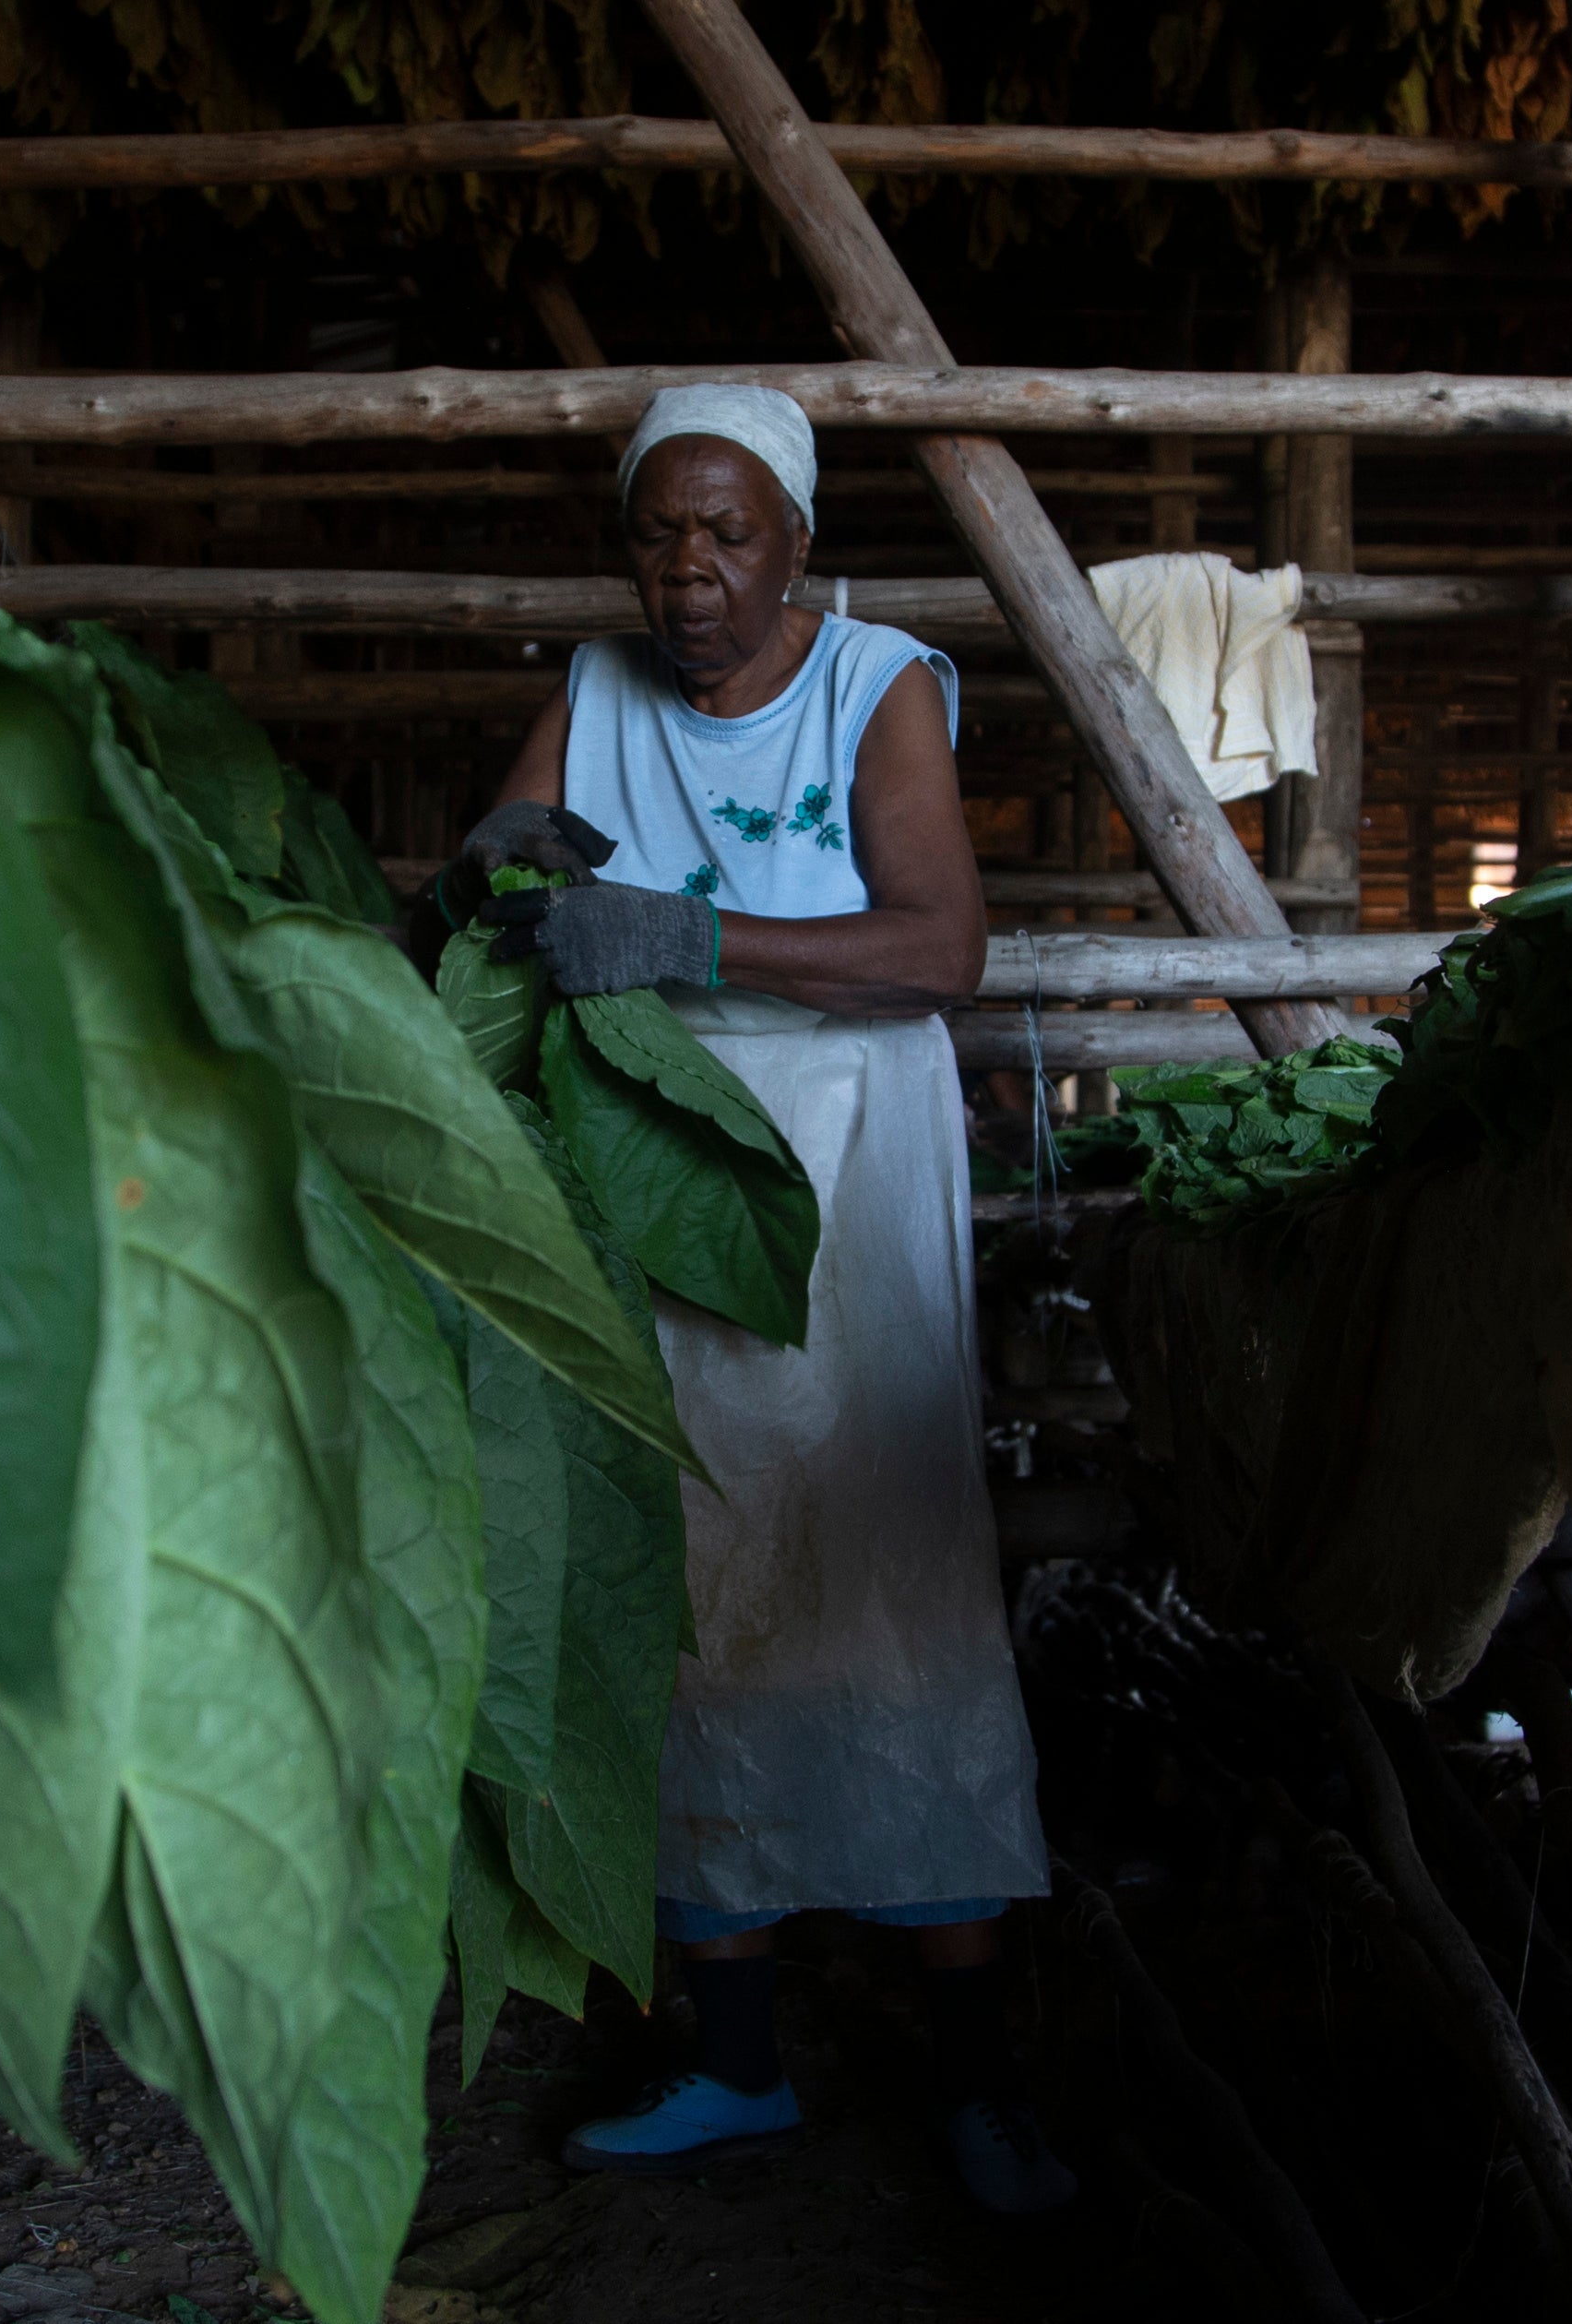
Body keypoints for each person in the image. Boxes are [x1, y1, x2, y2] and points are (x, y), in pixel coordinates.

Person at [415, 384, 1075, 2218]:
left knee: (884, 1575)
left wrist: (691, 938)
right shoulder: (600, 681)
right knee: (682, 1579)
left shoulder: (877, 684)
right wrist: (491, 863)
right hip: (650, 1158)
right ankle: (733, 2060)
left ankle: (972, 2076)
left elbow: (939, 950)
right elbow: (509, 839)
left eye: (729, 535)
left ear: (794, 539)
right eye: (658, 534)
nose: (690, 571)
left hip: (842, 1175)